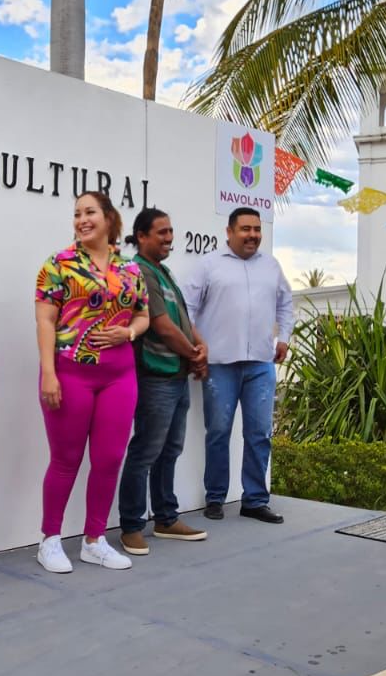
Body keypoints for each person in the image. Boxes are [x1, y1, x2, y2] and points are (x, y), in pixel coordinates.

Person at [34, 191, 152, 573]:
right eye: (77, 214)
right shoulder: (58, 264)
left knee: (109, 459)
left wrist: (128, 333)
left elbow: (143, 316)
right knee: (66, 459)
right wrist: (49, 374)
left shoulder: (130, 269)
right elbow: (45, 320)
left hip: (120, 376)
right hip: (70, 372)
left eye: (90, 212)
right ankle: (50, 540)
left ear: (108, 219)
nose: (82, 220)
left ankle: (94, 540)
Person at [182, 207, 293, 524]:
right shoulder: (209, 265)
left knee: (260, 432)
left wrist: (284, 337)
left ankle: (255, 500)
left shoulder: (271, 266)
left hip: (261, 363)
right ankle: (215, 497)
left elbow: (286, 303)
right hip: (219, 364)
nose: (252, 235)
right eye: (245, 229)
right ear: (229, 232)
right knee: (218, 432)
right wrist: (193, 346)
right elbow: (186, 307)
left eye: (257, 229)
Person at [117, 208, 210, 556]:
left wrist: (200, 347)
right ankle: (131, 526)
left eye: (171, 231)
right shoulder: (140, 271)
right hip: (155, 376)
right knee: (145, 451)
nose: (169, 237)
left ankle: (166, 518)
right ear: (141, 236)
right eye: (162, 232)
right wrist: (194, 354)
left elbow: (182, 319)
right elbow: (161, 325)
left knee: (169, 450)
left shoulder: (164, 272)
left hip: (176, 375)